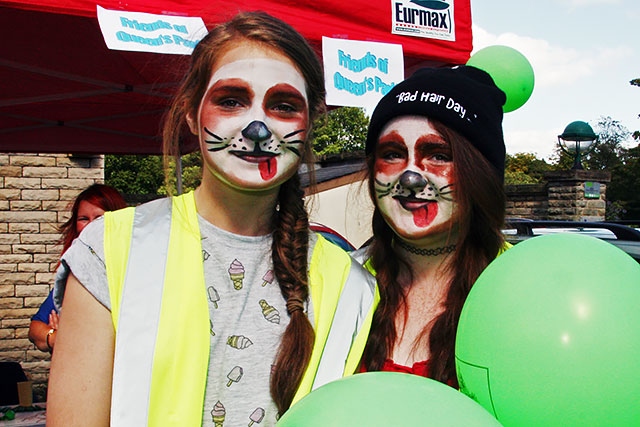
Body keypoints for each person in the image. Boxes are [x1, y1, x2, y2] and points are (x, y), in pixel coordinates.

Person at [48, 11, 377, 427]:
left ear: (311, 122)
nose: (257, 128)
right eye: (231, 100)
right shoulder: (111, 249)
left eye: (283, 106)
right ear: (190, 113)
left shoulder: (350, 284)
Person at [356, 65, 509, 387]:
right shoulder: (337, 283)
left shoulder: (520, 289)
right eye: (393, 154)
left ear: (480, 174)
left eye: (438, 155)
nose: (410, 178)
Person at [28, 184, 127, 353]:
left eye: (99, 218)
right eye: (83, 219)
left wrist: (76, 332)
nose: (90, 226)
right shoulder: (75, 274)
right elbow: (35, 328)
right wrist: (56, 337)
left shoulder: (132, 271)